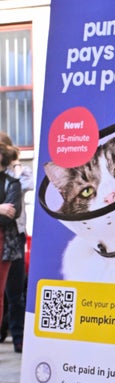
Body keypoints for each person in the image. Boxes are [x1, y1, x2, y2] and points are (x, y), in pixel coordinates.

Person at [0, 133, 32, 352]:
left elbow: (26, 184)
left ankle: (18, 337)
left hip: (14, 236)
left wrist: (16, 164)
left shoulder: (17, 175)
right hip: (7, 234)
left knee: (14, 291)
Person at [0, 137, 22, 346]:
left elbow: (11, 213)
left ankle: (18, 338)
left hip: (7, 242)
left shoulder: (11, 182)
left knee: (9, 293)